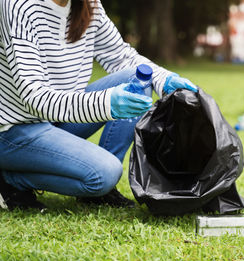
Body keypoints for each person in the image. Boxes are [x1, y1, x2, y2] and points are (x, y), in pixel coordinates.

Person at [0, 0, 197, 211]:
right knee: (104, 173)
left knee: (137, 80)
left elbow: (121, 56)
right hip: (13, 129)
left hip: (55, 120)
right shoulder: (18, 5)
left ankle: (99, 192)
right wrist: (107, 102)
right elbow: (35, 97)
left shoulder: (88, 4)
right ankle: (10, 179)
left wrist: (163, 78)